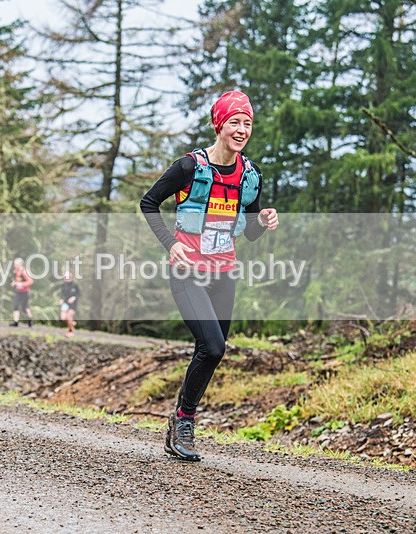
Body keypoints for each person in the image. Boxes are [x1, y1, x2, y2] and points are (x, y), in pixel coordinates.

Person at [140, 90, 278, 462]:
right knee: (213, 347)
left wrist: (263, 221)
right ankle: (184, 420)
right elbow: (148, 202)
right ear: (219, 125)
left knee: (210, 351)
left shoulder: (250, 175)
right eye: (235, 122)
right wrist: (170, 243)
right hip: (187, 271)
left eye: (247, 123)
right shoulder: (189, 168)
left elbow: (249, 232)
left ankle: (179, 421)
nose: (242, 129)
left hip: (224, 273)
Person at [9, 258, 33, 327]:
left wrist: (22, 284)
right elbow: (17, 280)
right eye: (14, 264)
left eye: (16, 264)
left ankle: (30, 318)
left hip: (25, 292)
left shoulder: (24, 272)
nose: (15, 265)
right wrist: (14, 283)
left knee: (24, 307)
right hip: (18, 292)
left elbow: (30, 281)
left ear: (20, 264)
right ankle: (16, 322)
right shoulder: (16, 271)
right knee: (15, 305)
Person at [59, 271, 79, 337]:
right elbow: (62, 294)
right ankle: (72, 323)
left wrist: (73, 298)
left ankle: (70, 331)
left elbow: (78, 294)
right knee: (63, 318)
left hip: (72, 304)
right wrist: (61, 299)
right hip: (65, 303)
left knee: (69, 316)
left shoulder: (75, 285)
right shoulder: (63, 285)